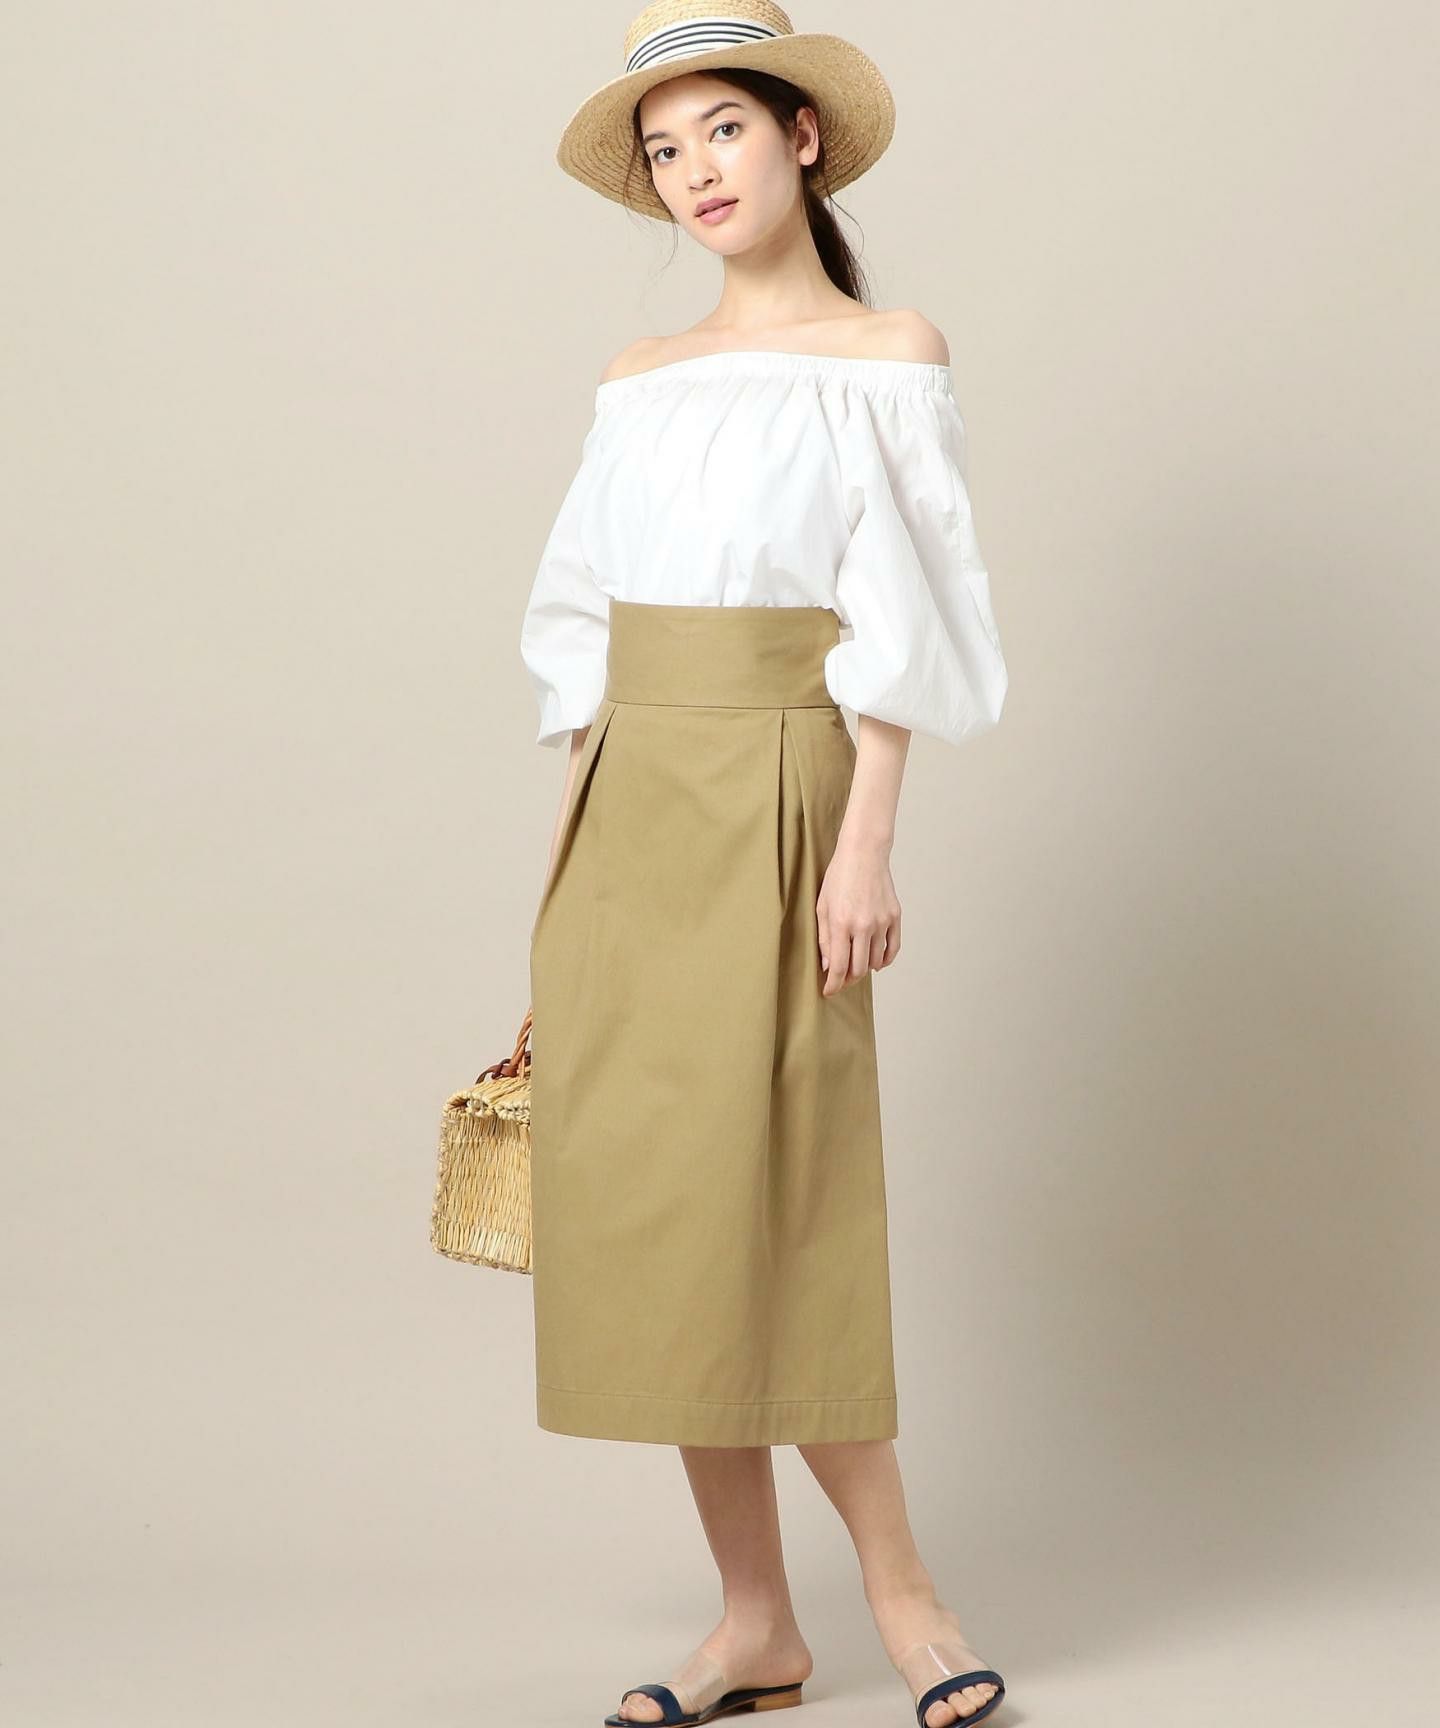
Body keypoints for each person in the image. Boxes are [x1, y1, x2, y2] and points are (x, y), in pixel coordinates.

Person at [518, 6, 1010, 1726]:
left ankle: (905, 1596)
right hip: (629, 804)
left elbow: (903, 617)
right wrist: (561, 891)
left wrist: (867, 843)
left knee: (786, 1202)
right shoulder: (636, 378)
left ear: (803, 136)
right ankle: (752, 1626)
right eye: (663, 150)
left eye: (722, 128)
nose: (694, 172)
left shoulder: (888, 353)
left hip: (790, 787)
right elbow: (582, 634)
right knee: (667, 1217)